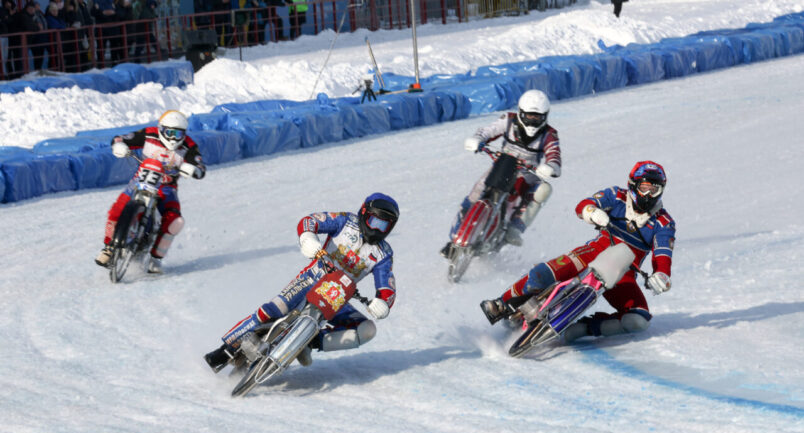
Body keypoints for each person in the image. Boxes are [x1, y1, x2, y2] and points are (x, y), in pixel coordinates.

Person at [480, 161, 676, 342]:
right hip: (591, 254)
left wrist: (662, 276)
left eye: (654, 189)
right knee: (541, 275)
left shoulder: (664, 222)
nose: (648, 195)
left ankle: (583, 328)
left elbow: (663, 253)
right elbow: (583, 205)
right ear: (633, 185)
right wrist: (592, 212)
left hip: (623, 274)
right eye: (644, 188)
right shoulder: (616, 196)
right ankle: (501, 304)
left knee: (638, 320)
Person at [204, 193, 399, 372]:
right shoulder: (346, 222)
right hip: (312, 279)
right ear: (364, 213)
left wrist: (383, 302)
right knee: (272, 310)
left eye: (384, 226)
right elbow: (311, 221)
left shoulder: (383, 253)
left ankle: (309, 343)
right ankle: (225, 349)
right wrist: (308, 238)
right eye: (375, 222)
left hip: (337, 298)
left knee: (366, 330)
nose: (377, 230)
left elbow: (387, 286)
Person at [441, 89, 561, 258]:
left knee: (544, 190)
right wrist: (477, 139)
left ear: (545, 116)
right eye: (529, 116)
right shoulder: (508, 120)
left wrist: (551, 166)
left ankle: (515, 228)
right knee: (475, 194)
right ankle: (453, 241)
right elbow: (487, 131)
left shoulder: (550, 134)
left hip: (528, 174)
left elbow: (554, 156)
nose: (533, 121)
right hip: (503, 164)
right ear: (521, 113)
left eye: (537, 117)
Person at [94, 110, 206, 273]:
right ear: (161, 129)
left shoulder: (189, 146)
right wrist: (119, 145)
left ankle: (156, 259)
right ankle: (109, 248)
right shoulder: (149, 134)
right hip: (141, 180)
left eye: (178, 133)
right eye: (170, 133)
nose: (174, 138)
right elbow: (122, 138)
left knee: (175, 222)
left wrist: (194, 170)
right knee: (116, 210)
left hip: (167, 188)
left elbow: (200, 166)